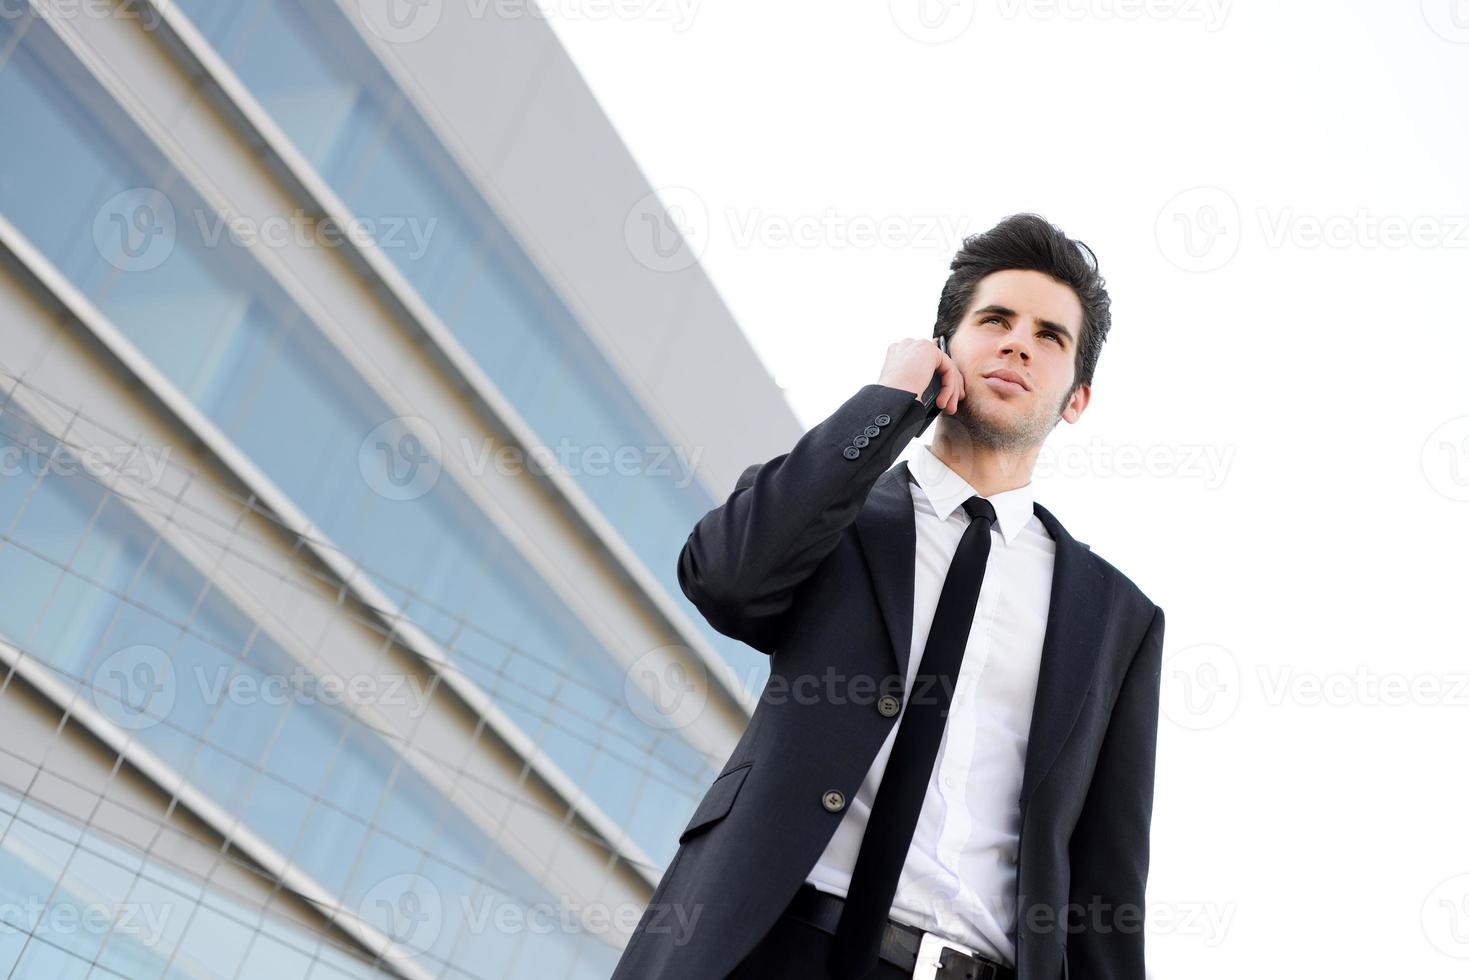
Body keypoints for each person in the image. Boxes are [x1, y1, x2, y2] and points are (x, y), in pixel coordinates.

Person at [611, 213, 1166, 980]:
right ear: (945, 346)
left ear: (1075, 398)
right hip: (771, 946)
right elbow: (725, 579)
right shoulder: (835, 512)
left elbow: (1106, 879)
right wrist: (885, 404)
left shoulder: (1115, 618)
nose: (1016, 344)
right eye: (994, 320)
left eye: (1049, 336)